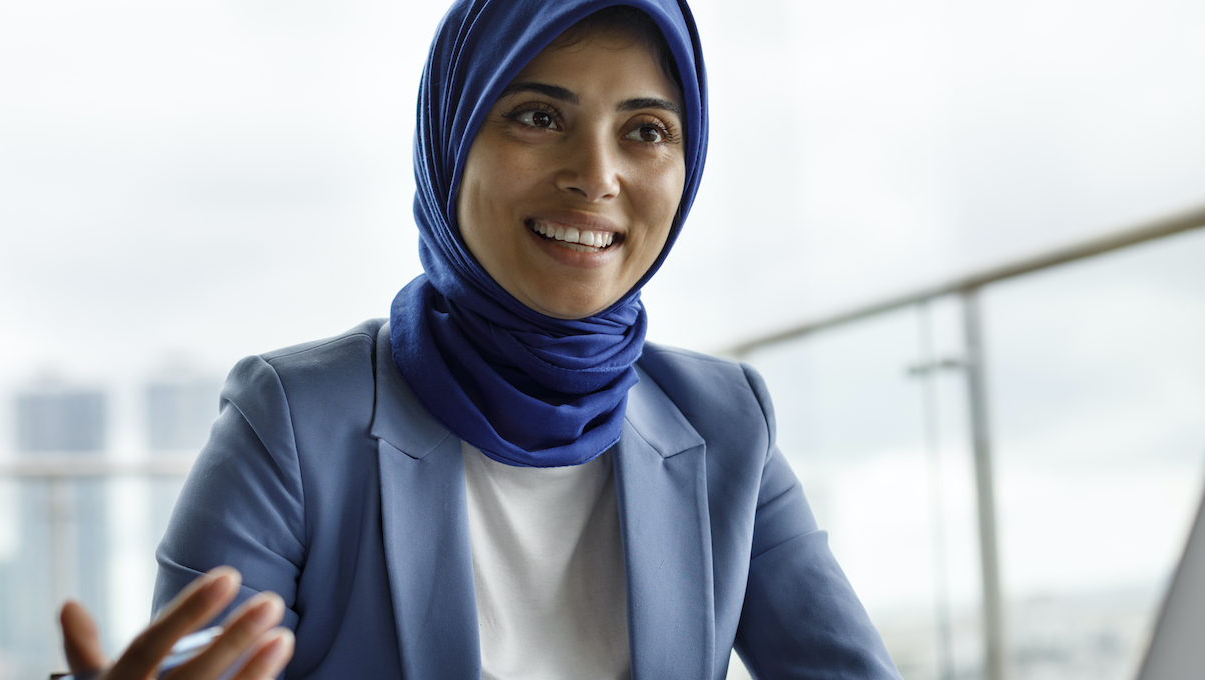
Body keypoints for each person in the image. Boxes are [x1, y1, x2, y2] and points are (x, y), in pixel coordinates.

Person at [59, 0, 904, 678]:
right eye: (538, 116)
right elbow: (192, 666)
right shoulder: (290, 417)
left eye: (646, 131)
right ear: (449, 144)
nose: (596, 177)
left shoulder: (727, 423)